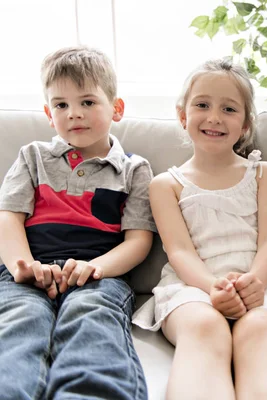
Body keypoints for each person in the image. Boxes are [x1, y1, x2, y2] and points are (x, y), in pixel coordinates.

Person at [132, 58, 267, 400]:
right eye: (202, 105)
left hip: (261, 282)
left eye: (229, 109)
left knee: (260, 329)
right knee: (205, 327)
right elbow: (179, 251)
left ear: (246, 124)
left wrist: (256, 282)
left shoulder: (264, 173)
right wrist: (212, 288)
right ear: (182, 115)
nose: (214, 117)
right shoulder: (166, 184)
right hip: (191, 288)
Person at [0, 46, 155, 399]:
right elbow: (8, 217)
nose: (74, 114)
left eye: (87, 102)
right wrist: (22, 267)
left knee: (91, 316)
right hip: (26, 272)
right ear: (48, 113)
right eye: (61, 105)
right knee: (20, 320)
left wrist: (93, 268)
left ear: (117, 109)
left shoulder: (134, 169)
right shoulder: (33, 157)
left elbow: (139, 241)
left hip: (99, 275)